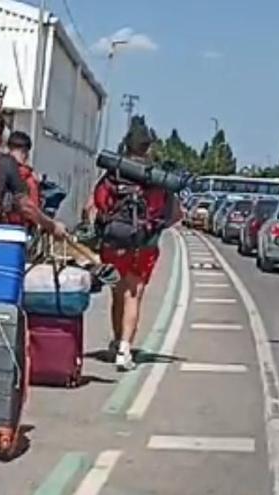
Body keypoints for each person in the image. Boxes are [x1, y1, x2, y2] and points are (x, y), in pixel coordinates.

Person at [93, 129, 182, 371]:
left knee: (117, 293)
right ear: (148, 148)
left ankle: (116, 341)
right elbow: (175, 215)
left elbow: (96, 204)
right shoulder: (158, 180)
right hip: (144, 245)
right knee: (134, 294)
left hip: (113, 242)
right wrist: (156, 225)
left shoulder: (114, 174)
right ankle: (125, 350)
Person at [0, 130, 67, 238]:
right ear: (25, 152)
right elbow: (29, 208)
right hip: (18, 233)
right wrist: (52, 226)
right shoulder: (27, 177)